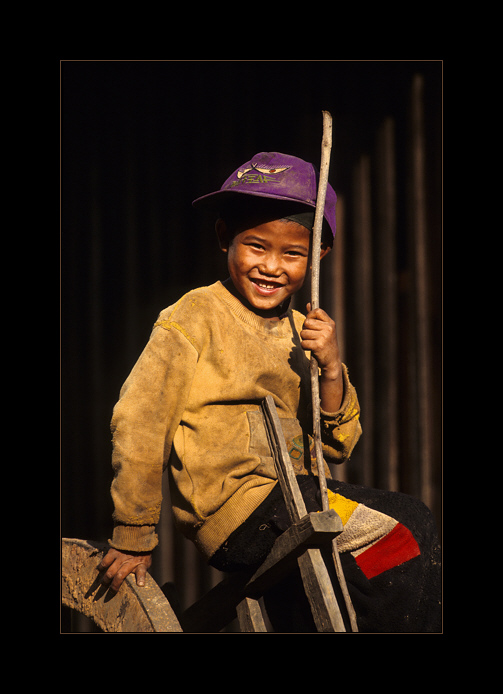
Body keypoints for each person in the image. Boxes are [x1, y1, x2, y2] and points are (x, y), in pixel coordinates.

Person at [98, 151, 441, 632]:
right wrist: (132, 532)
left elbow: (337, 446)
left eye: (292, 253)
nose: (272, 267)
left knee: (383, 562)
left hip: (298, 497)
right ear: (224, 237)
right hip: (240, 511)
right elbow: (139, 423)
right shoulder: (193, 318)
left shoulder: (304, 334)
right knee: (410, 523)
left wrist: (331, 368)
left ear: (317, 257)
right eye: (256, 247)